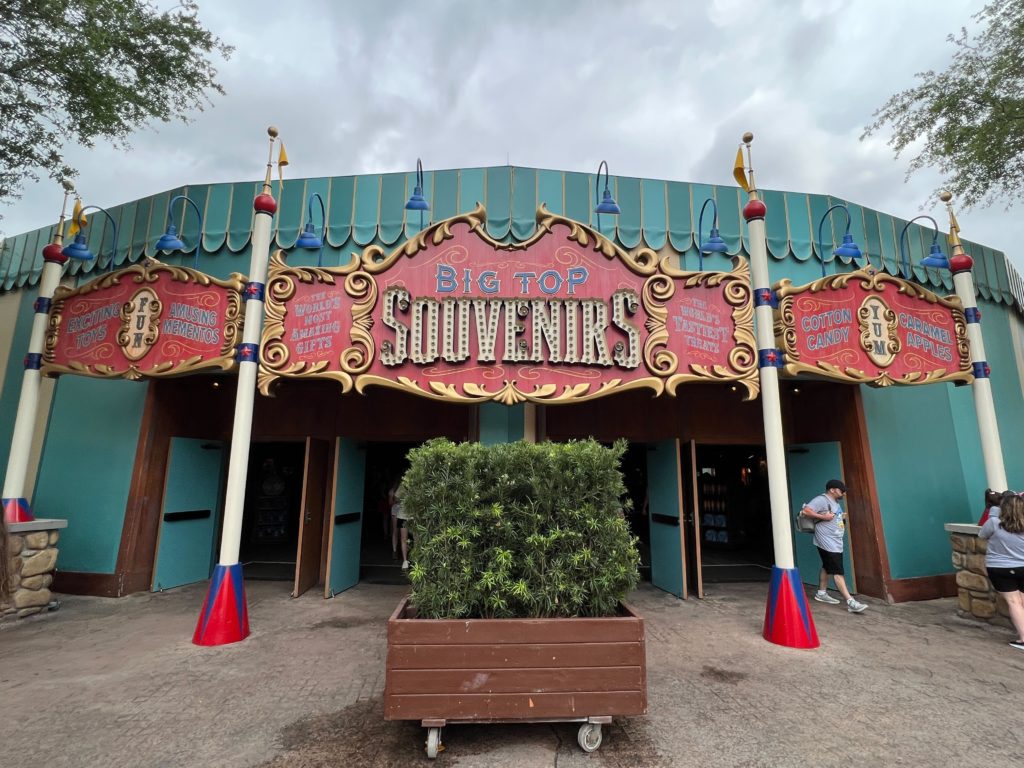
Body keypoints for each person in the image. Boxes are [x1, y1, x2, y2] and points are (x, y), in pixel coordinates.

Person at [802, 479, 868, 613]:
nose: (843, 493)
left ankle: (821, 593)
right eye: (841, 491)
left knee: (827, 566)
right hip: (827, 541)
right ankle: (850, 602)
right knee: (838, 571)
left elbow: (831, 518)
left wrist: (840, 517)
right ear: (832, 490)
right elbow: (806, 511)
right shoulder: (822, 499)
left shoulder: (835, 503)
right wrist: (824, 518)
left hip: (835, 541)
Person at [979, 492, 1024, 651]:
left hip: (999, 567)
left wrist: (993, 508)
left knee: (1014, 602)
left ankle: (1023, 638)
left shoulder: (994, 523)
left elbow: (982, 534)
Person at [393, 482, 412, 570]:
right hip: (412, 516)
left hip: (404, 515)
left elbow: (396, 498)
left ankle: (405, 561)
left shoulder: (403, 484)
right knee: (416, 538)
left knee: (404, 538)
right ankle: (411, 560)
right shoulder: (418, 483)